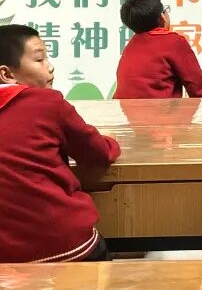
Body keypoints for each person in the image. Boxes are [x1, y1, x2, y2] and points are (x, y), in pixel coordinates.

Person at [0, 25, 121, 262]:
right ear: (7, 74)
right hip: (64, 248)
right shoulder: (48, 103)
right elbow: (98, 154)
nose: (50, 66)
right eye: (39, 59)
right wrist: (110, 141)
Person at [114, 0, 202, 99]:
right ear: (162, 17)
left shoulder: (130, 45)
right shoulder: (174, 42)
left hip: (122, 109)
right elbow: (200, 89)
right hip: (159, 109)